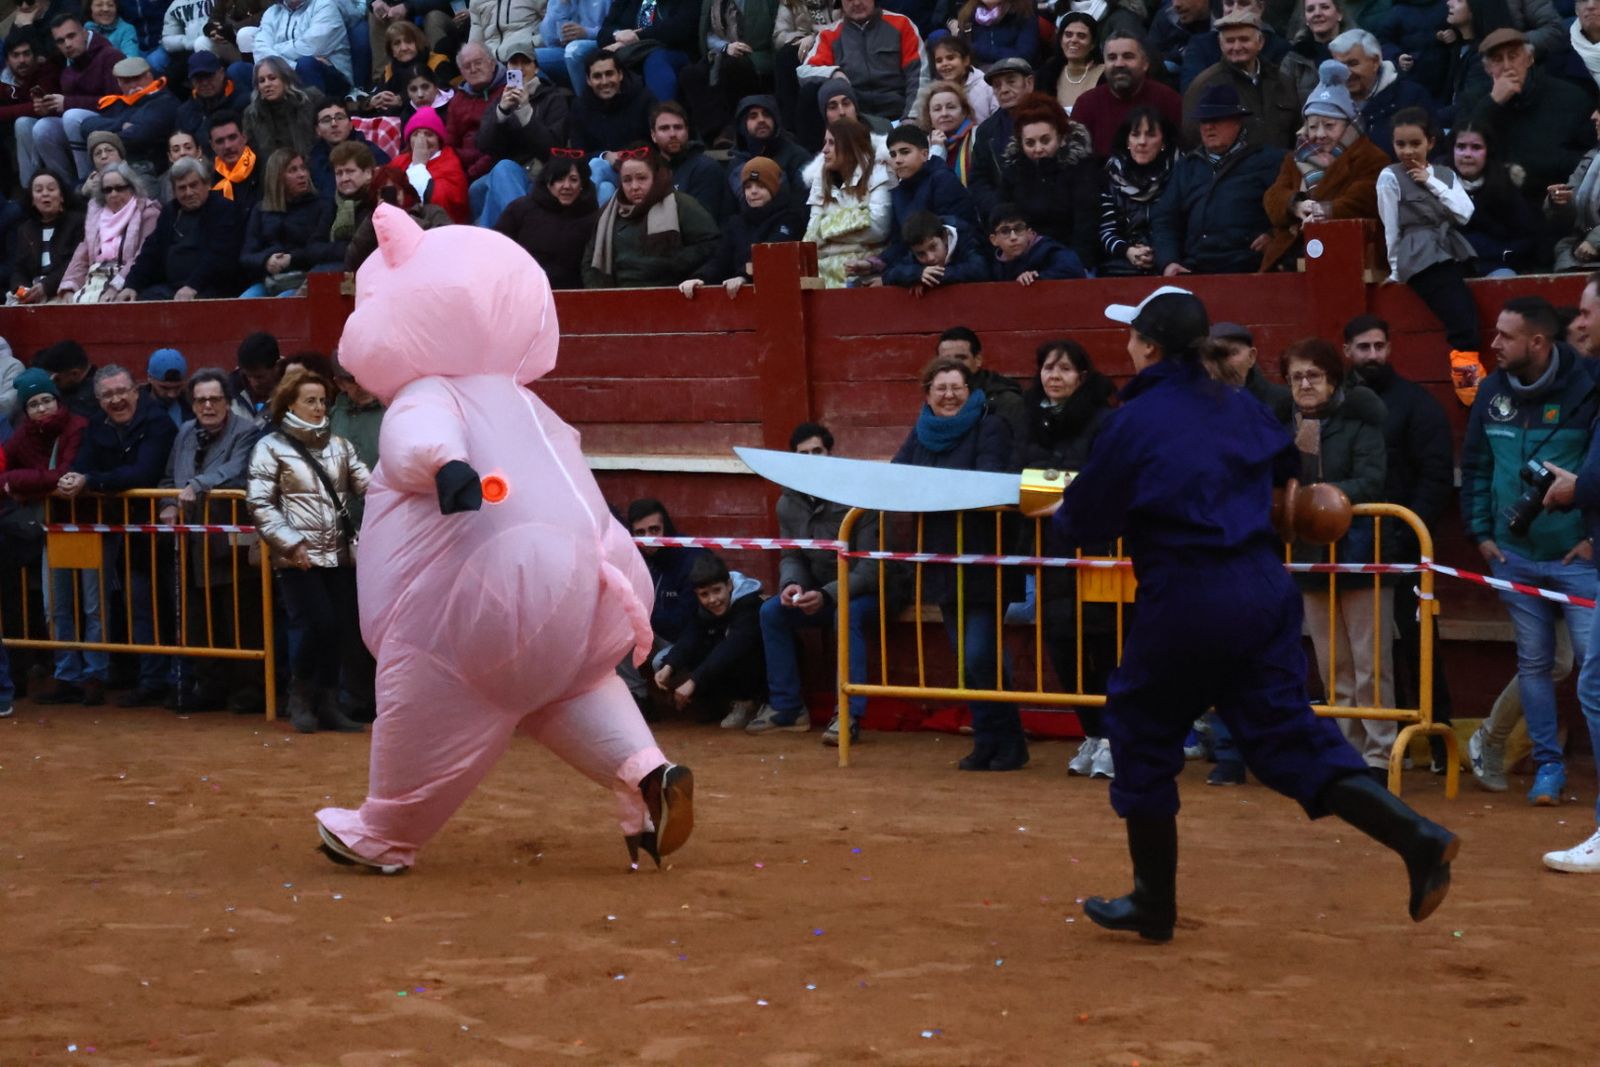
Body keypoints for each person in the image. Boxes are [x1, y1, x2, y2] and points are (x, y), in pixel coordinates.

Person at [1052, 286, 1458, 942]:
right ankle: (1415, 835)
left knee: (1141, 729)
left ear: (1148, 347)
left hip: (1187, 594)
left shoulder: (1133, 420)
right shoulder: (1241, 406)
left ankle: (1154, 899)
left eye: (1132, 336)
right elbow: (1288, 474)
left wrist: (1064, 512)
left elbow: (1085, 522)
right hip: (1263, 588)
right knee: (1285, 735)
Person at [317, 206, 696, 874]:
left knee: (432, 691)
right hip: (600, 582)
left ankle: (383, 833)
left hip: (486, 595)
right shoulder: (525, 401)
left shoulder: (431, 391)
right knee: (565, 687)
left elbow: (415, 440)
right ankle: (647, 773)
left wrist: (447, 467)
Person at [1461, 295, 1600, 807]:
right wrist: (1481, 534)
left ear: (1537, 343)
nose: (1494, 343)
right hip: (1513, 554)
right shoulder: (1491, 389)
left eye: (1506, 336)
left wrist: (1592, 539)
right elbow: (1476, 465)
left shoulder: (1587, 384)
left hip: (1576, 558)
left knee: (1592, 666)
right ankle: (1547, 767)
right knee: (1536, 662)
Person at [893, 355, 1025, 771]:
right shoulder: (921, 431)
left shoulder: (991, 426)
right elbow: (898, 476)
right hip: (942, 558)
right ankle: (989, 742)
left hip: (985, 557)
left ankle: (1009, 742)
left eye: (957, 388)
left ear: (971, 392)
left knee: (979, 655)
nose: (949, 396)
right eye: (941, 388)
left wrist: (932, 490)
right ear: (927, 394)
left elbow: (985, 481)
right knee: (967, 659)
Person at [1343, 314, 1456, 771]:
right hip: (1352, 547)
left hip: (1406, 548)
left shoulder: (1416, 404)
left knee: (1418, 642)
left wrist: (1407, 532)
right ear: (1347, 351)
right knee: (1363, 653)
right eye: (1363, 347)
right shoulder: (1338, 402)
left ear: (1390, 348)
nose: (1373, 355)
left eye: (1379, 346)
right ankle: (1382, 743)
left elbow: (1435, 475)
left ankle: (1436, 739)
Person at [1280, 337, 1393, 779]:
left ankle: (1379, 754)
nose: (1305, 384)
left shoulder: (1360, 420)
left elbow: (1372, 480)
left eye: (1314, 375)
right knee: (1333, 664)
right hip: (1310, 553)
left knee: (1370, 662)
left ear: (1332, 379)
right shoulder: (1285, 426)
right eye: (1296, 377)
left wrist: (1317, 499)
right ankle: (1348, 749)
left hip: (1361, 550)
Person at [246, 365, 369, 734]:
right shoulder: (270, 447)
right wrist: (291, 543)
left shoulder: (341, 447)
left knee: (340, 628)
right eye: (310, 401)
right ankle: (300, 694)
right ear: (290, 404)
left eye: (322, 401)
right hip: (297, 557)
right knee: (318, 623)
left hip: (340, 554)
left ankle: (327, 702)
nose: (319, 408)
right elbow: (260, 503)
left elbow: (371, 487)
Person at [1019, 339, 1118, 778]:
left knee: (1106, 644)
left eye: (1063, 368)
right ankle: (1092, 733)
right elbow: (1018, 471)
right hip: (1050, 549)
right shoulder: (1028, 417)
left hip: (1100, 549)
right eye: (1047, 367)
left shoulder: (1104, 419)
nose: (1053, 376)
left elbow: (1105, 477)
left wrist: (1056, 491)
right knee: (1063, 645)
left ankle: (1114, 738)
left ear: (1082, 376)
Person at [751, 422, 883, 745]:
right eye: (803, 454)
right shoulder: (787, 503)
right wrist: (792, 584)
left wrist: (826, 594)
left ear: (830, 453)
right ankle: (788, 709)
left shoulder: (861, 495)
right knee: (771, 612)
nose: (811, 459)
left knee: (846, 613)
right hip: (823, 591)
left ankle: (848, 714)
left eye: (817, 451)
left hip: (874, 592)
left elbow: (872, 570)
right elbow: (792, 555)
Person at [61, 363, 180, 708]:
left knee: (173, 607)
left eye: (121, 392)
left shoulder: (157, 422)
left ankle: (178, 679)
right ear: (98, 400)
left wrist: (92, 481)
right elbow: (82, 464)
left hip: (165, 528)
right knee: (138, 606)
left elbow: (144, 473)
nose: (116, 400)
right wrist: (78, 477)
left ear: (136, 392)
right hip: (125, 531)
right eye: (107, 395)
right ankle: (151, 679)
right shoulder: (97, 424)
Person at [158, 368, 263, 713]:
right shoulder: (185, 432)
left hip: (230, 537)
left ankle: (249, 689)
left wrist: (197, 485)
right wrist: (168, 503)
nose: (207, 406)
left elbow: (238, 470)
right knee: (199, 618)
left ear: (227, 401)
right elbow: (169, 476)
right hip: (191, 541)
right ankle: (209, 686)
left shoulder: (247, 431)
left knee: (240, 616)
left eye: (215, 399)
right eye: (200, 400)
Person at [1377, 106, 1482, 404]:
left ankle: (1470, 388)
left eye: (1415, 143)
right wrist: (1396, 269)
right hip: (1419, 254)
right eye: (1400, 144)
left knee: (1467, 317)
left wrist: (1430, 181)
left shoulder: (1444, 174)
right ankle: (1469, 390)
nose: (1407, 151)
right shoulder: (1390, 176)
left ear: (1431, 143)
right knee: (1462, 321)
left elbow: (1464, 213)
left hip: (1450, 247)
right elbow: (1391, 227)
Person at [4, 371, 91, 707]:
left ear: (57, 400)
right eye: (33, 404)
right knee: (54, 605)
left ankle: (95, 674)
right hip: (48, 531)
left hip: (85, 524)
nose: (41, 409)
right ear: (25, 410)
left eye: (46, 401)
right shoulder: (23, 436)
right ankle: (67, 673)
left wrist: (19, 483)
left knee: (92, 604)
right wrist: (36, 482)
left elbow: (63, 474)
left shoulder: (76, 426)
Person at [1259, 59, 1387, 272]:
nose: (1319, 134)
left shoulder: (1370, 157)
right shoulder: (1295, 158)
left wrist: (1323, 211)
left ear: (1348, 125)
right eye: (1312, 126)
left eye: (1329, 126)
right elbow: (1273, 196)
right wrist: (1295, 205)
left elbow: (1363, 201)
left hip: (1347, 254)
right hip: (1290, 254)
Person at [1152, 83, 1285, 275]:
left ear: (1237, 121)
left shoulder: (1270, 161)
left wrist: (1274, 237)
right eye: (1203, 121)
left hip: (1252, 269)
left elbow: (1291, 210)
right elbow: (1165, 219)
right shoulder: (1186, 167)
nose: (1208, 127)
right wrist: (1168, 262)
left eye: (1216, 119)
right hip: (1193, 270)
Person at [1470, 28, 1595, 211]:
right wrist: (1492, 103)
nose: (1507, 66)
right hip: (1492, 203)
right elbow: (1463, 147)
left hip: (1550, 203)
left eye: (1513, 56)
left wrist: (1547, 161)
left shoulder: (1570, 97)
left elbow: (1590, 157)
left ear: (1529, 59)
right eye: (1497, 60)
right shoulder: (1477, 100)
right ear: (1488, 69)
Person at [469, 35, 574, 227]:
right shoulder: (500, 101)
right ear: (507, 69)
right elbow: (483, 145)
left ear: (536, 68)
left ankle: (524, 229)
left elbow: (552, 149)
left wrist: (525, 111)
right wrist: (502, 112)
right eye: (514, 63)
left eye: (525, 62)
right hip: (507, 171)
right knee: (477, 188)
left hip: (540, 171)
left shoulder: (554, 98)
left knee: (502, 171)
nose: (520, 68)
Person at [581, 144, 720, 287]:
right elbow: (590, 262)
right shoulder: (608, 212)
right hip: (618, 294)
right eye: (627, 180)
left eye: (641, 178)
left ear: (655, 177)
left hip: (673, 290)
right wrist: (600, 294)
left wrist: (669, 263)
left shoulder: (681, 204)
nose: (634, 187)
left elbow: (711, 245)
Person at [655, 552, 766, 725]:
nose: (712, 600)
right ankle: (712, 704)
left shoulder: (748, 604)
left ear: (729, 585)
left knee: (734, 650)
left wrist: (693, 682)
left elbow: (732, 648)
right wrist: (669, 666)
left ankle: (748, 703)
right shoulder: (703, 609)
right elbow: (690, 636)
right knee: (661, 663)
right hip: (726, 666)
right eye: (704, 594)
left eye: (716, 590)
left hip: (760, 669)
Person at [620, 497, 708, 708]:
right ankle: (639, 698)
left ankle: (703, 700)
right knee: (615, 629)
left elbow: (686, 622)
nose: (648, 539)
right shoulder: (634, 558)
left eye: (654, 530)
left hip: (694, 638)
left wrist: (641, 607)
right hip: (657, 632)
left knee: (662, 661)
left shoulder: (691, 558)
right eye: (640, 533)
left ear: (666, 528)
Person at [996, 95, 1100, 272]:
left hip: (1073, 260)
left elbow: (1086, 223)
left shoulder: (1080, 168)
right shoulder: (1013, 171)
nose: (1038, 149)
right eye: (1030, 143)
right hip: (1025, 262)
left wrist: (1076, 267)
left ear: (1060, 137)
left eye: (1045, 140)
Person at [118, 155, 244, 300]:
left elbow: (220, 255)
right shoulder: (170, 212)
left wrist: (193, 286)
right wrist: (132, 285)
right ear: (174, 191)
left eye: (194, 185)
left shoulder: (224, 209)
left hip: (210, 287)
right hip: (170, 288)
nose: (188, 193)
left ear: (207, 184)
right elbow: (151, 252)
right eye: (182, 188)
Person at [17, 15, 122, 186]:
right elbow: (69, 105)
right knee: (42, 127)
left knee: (71, 116)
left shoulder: (110, 55)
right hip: (80, 126)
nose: (67, 44)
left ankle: (87, 182)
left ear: (84, 33)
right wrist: (49, 108)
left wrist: (67, 103)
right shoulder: (68, 68)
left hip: (112, 123)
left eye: (71, 36)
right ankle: (63, 188)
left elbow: (117, 102)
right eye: (60, 41)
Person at [679, 156, 806, 297]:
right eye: (748, 186)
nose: (753, 191)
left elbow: (773, 253)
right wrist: (701, 277)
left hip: (780, 295)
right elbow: (721, 259)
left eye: (761, 186)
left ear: (774, 188)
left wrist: (744, 276)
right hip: (742, 297)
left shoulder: (790, 219)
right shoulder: (736, 222)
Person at [796, 0, 926, 130]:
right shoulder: (829, 35)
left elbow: (920, 75)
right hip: (854, 123)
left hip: (901, 116)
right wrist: (834, 73)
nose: (857, 3)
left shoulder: (902, 24)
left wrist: (911, 118)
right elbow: (804, 72)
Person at [1183, 10, 1300, 150]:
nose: (1237, 47)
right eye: (1230, 41)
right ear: (1220, 45)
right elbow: (1192, 137)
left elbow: (1297, 130)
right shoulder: (1206, 84)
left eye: (1244, 40)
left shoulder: (1282, 81)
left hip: (1282, 163)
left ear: (1260, 42)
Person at [803, 116, 892, 287]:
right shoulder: (820, 179)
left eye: (831, 143)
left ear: (850, 145)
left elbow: (878, 228)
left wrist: (824, 230)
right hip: (825, 272)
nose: (824, 150)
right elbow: (811, 238)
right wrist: (859, 218)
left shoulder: (878, 171)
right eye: (825, 142)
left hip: (865, 274)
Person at [675, 0, 778, 147]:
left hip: (754, 54)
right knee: (690, 74)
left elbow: (773, 33)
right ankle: (713, 132)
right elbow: (708, 34)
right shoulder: (710, 2)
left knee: (732, 65)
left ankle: (732, 129)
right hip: (719, 53)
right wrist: (726, 47)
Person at [493, 152, 599, 289]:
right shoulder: (520, 209)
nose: (567, 186)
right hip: (526, 290)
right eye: (559, 179)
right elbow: (499, 251)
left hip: (574, 295)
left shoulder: (594, 218)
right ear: (548, 183)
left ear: (582, 184)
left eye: (573, 180)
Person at [239, 148, 337, 296]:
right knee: (244, 302)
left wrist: (291, 259)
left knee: (282, 304)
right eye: (293, 170)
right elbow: (246, 256)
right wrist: (266, 261)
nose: (302, 174)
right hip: (269, 280)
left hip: (303, 280)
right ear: (277, 177)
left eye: (303, 168)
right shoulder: (261, 209)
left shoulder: (322, 206)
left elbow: (318, 250)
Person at [1328, 27, 1434, 162]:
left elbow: (1433, 151)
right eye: (1339, 66)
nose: (1346, 73)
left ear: (1375, 62)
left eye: (1352, 63)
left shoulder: (1411, 97)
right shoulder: (1326, 101)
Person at [1075, 33, 1184, 159]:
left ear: (1145, 64)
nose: (1119, 64)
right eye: (1112, 58)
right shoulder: (1086, 104)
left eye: (1128, 57)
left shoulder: (1169, 100)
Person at [1098, 105, 1176, 277]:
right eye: (1135, 135)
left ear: (1163, 142)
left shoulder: (1179, 173)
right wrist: (1128, 251)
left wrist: (1161, 254)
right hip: (1119, 266)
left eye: (1151, 135)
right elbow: (1105, 230)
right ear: (1127, 141)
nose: (1142, 142)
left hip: (1170, 264)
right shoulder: (1110, 175)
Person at [1451, 121, 1535, 277]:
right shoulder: (1435, 184)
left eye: (1476, 147)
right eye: (1461, 147)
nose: (1467, 154)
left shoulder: (1505, 186)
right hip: (1450, 269)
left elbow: (1525, 237)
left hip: (1496, 266)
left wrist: (1505, 254)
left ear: (1488, 151)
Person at [75, 55, 178, 176]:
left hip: (149, 169)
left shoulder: (164, 101)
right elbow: (87, 126)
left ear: (149, 76)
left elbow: (137, 136)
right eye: (127, 81)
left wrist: (106, 134)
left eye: (137, 79)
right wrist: (121, 124)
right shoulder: (121, 102)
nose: (133, 85)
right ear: (119, 83)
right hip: (119, 167)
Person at [964, 56, 1035, 221]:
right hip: (1005, 218)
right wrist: (999, 209)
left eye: (1011, 82)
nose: (1004, 90)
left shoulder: (1052, 118)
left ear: (1029, 83)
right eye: (997, 85)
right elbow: (978, 181)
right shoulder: (986, 131)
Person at [936, 325, 1025, 450]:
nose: (953, 364)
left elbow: (1021, 451)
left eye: (961, 358)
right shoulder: (935, 398)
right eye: (946, 359)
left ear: (978, 360)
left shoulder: (1007, 402)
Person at [9, 168, 83, 303]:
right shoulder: (25, 229)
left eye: (51, 189)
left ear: (62, 196)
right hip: (32, 291)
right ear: (32, 200)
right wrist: (21, 289)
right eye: (38, 190)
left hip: (63, 289)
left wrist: (46, 286)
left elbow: (76, 262)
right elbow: (19, 269)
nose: (45, 194)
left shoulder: (77, 222)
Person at [1180, 0, 1290, 91]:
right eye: (1229, 3)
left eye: (1244, 4)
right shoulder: (1201, 46)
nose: (1235, 9)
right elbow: (1192, 91)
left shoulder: (1279, 48)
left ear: (1260, 8)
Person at [252, 0, 354, 97]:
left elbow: (312, 47)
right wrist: (292, 67)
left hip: (332, 77)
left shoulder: (324, 5)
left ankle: (316, 109)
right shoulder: (272, 12)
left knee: (306, 63)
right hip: (285, 74)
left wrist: (274, 49)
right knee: (244, 70)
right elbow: (260, 49)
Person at [571, 50, 658, 155]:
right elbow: (579, 154)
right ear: (588, 80)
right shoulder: (579, 107)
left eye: (609, 74)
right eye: (597, 76)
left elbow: (656, 144)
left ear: (620, 74)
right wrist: (603, 156)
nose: (604, 82)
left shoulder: (645, 100)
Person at [725, 95, 811, 200]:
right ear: (743, 124)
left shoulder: (797, 157)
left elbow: (803, 201)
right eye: (753, 116)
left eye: (766, 115)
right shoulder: (736, 163)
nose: (761, 120)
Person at [392, 107, 470, 223]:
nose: (421, 140)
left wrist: (418, 166)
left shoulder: (450, 162)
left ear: (438, 139)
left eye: (428, 134)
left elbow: (443, 201)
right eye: (416, 134)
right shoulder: (399, 161)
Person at [1545, 111, 1600, 274]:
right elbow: (1568, 216)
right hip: (1577, 253)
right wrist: (1559, 201)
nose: (1593, 116)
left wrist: (1596, 241)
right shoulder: (1592, 156)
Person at [445, 42, 508, 181]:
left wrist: (471, 174)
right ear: (461, 72)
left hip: (498, 165)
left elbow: (503, 142)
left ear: (492, 63)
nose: (473, 69)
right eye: (467, 66)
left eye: (478, 63)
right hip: (463, 170)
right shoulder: (457, 100)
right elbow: (450, 143)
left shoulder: (508, 91)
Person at [242, 56, 324, 160]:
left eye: (272, 78)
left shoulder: (311, 100)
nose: (267, 84)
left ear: (285, 79)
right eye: (262, 81)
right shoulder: (252, 115)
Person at [308, 98, 391, 201]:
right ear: (317, 130)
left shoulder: (372, 154)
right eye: (326, 120)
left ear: (351, 125)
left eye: (339, 117)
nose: (334, 124)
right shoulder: (312, 162)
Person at [987, 200, 1086, 282]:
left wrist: (1037, 278)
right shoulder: (995, 266)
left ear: (1029, 233)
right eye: (1005, 231)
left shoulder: (1048, 250)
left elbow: (1074, 270)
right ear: (994, 240)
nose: (1013, 237)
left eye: (1018, 229)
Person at [173, 51, 251, 146]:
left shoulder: (245, 102)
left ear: (221, 73)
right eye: (198, 78)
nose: (204, 83)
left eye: (209, 76)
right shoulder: (184, 113)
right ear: (191, 81)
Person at [1281, 0, 1349, 102]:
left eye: (1325, 7)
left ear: (1339, 14)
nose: (1317, 13)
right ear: (1306, 19)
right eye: (1310, 9)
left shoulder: (1355, 51)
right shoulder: (1294, 57)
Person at [1039, 13, 1103, 115]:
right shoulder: (1047, 73)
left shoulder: (1106, 74)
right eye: (1068, 35)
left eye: (1081, 36)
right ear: (1060, 40)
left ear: (1093, 44)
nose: (1073, 40)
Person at [919, 79, 980, 187]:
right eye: (937, 109)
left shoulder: (978, 136)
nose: (944, 114)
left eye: (951, 107)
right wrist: (937, 148)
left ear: (964, 112)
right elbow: (926, 187)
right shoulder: (922, 147)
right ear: (929, 116)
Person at [949, 0, 1038, 70]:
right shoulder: (968, 15)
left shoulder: (1023, 14)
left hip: (1012, 73)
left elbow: (1023, 55)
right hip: (976, 77)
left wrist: (977, 49)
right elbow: (962, 52)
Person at [927, 34, 996, 124]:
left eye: (950, 58)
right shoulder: (935, 92)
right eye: (939, 61)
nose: (944, 64)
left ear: (966, 60)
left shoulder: (987, 86)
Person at [208, 110, 263, 207]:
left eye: (232, 137)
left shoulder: (264, 170)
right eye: (220, 141)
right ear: (212, 146)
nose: (227, 146)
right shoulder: (209, 180)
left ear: (244, 137)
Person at [141, 347, 190, 427]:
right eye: (164, 388)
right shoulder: (134, 410)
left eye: (177, 387)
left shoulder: (192, 406)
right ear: (150, 378)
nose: (172, 394)